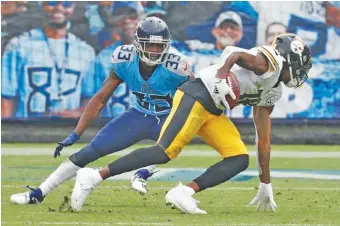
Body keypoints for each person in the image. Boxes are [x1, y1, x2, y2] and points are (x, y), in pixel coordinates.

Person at [70, 33, 312, 214]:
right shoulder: (268, 63)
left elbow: (264, 139)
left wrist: (265, 182)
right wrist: (221, 75)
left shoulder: (274, 92)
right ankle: (93, 176)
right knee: (164, 151)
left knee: (238, 157)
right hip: (197, 93)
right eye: (300, 66)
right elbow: (232, 52)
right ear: (288, 59)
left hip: (213, 109)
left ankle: (184, 192)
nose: (300, 73)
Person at [10, 17, 193, 205]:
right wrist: (76, 133)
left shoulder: (176, 66)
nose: (155, 51)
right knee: (89, 152)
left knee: (167, 150)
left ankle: (143, 171)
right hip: (138, 115)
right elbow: (100, 99)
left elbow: (197, 96)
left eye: (159, 46)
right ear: (138, 43)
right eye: (150, 45)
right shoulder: (124, 60)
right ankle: (38, 193)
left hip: (169, 118)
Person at [1, 1, 96, 118]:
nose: (59, 8)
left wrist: (77, 113)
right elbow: (6, 98)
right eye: (53, 2)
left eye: (67, 3)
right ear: (42, 5)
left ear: (73, 7)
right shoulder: (19, 45)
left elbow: (89, 98)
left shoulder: (85, 51)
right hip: (28, 130)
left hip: (69, 131)